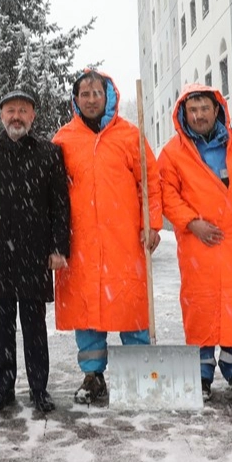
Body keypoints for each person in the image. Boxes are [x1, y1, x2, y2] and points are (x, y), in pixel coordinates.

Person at [52, 68, 163, 406]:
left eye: (96, 93)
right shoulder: (63, 139)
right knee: (86, 309)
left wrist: (151, 224)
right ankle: (93, 375)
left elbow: (150, 182)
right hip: (81, 241)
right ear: (76, 99)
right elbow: (52, 193)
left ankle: (138, 371)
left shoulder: (130, 136)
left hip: (124, 239)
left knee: (131, 305)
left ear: (108, 96)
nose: (91, 100)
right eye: (84, 94)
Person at [158, 85, 232, 400]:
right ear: (183, 114)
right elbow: (167, 194)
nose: (198, 116)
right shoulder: (172, 153)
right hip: (199, 243)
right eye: (192, 110)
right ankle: (201, 375)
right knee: (201, 307)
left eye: (204, 109)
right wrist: (191, 222)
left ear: (216, 109)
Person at [0, 90, 70, 414]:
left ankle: (39, 389)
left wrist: (58, 248)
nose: (16, 116)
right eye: (11, 110)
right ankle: (4, 389)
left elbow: (60, 206)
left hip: (35, 255)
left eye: (23, 111)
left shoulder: (49, 154)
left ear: (32, 116)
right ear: (1, 116)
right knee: (2, 327)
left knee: (35, 328)